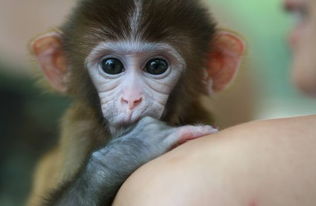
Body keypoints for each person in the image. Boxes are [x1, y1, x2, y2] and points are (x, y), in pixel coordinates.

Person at [113, 0, 316, 205]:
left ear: (216, 66)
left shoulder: (187, 183)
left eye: (157, 66)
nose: (286, 3)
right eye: (112, 67)